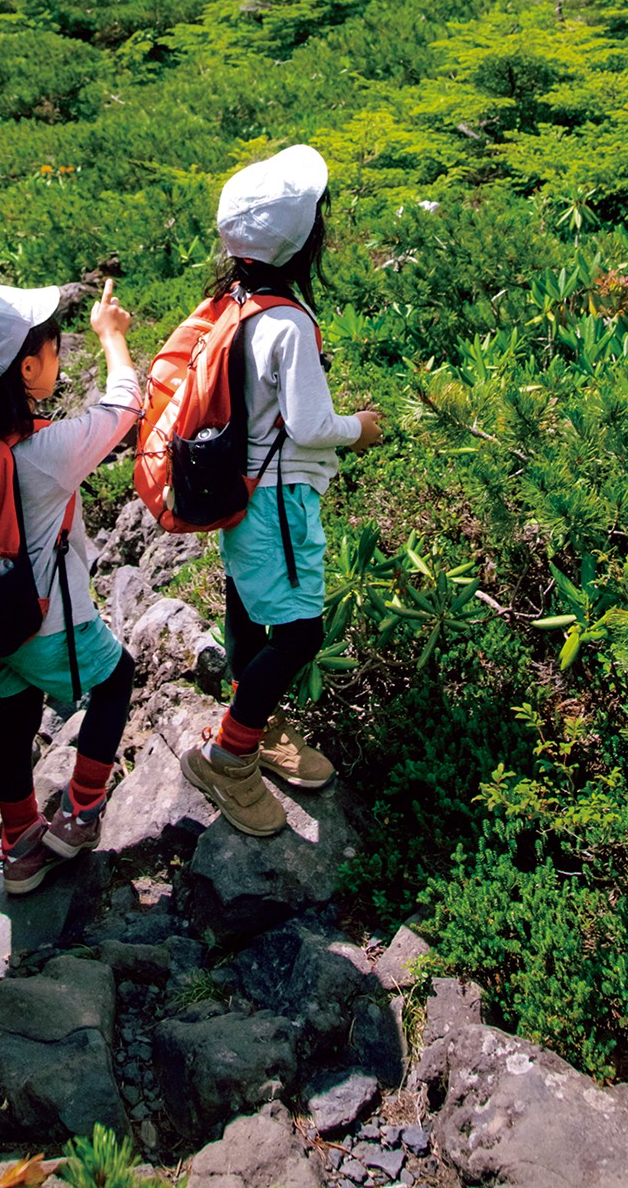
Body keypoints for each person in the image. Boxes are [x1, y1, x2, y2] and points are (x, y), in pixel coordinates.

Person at [182, 144, 384, 836]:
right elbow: (309, 423)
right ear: (301, 240)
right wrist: (361, 427)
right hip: (278, 495)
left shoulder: (230, 304)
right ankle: (229, 756)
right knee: (299, 633)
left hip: (242, 491)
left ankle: (252, 721)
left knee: (246, 608)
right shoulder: (289, 322)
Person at [0, 278, 140, 894]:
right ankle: (82, 814)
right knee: (116, 681)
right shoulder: (45, 452)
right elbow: (125, 408)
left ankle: (19, 844)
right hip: (49, 621)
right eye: (56, 352)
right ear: (29, 367)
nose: (60, 362)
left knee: (16, 719)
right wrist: (111, 338)